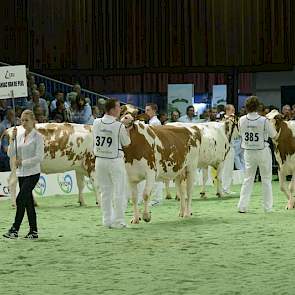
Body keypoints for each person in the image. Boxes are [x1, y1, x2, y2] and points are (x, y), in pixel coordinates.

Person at [3, 110, 44, 239]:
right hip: (21, 174)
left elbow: (39, 157)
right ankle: (33, 231)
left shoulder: (38, 137)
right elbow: (11, 153)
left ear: (33, 121)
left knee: (20, 199)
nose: (24, 122)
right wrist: (12, 139)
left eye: (26, 120)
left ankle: (15, 229)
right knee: (28, 202)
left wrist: (23, 162)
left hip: (33, 173)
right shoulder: (19, 136)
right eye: (22, 120)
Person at [93, 99, 131, 228]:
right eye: (118, 107)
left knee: (105, 191)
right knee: (119, 191)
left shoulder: (96, 122)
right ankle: (118, 221)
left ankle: (107, 220)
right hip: (114, 160)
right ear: (113, 109)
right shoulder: (118, 126)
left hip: (100, 160)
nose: (120, 109)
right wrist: (126, 126)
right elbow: (126, 142)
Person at [237, 96, 277, 213]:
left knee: (248, 179)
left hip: (248, 151)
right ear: (258, 106)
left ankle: (242, 206)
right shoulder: (264, 120)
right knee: (266, 179)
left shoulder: (241, 120)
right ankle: (267, 208)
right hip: (262, 150)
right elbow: (273, 135)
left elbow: (240, 133)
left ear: (247, 107)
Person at [145, 103, 164, 206]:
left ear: (154, 111)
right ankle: (156, 198)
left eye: (148, 110)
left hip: (155, 150)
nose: (146, 112)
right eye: (146, 110)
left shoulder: (155, 122)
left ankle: (157, 199)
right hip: (152, 150)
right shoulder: (152, 122)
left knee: (156, 176)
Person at [221, 104, 237, 195]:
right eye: (232, 110)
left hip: (230, 145)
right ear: (227, 110)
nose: (233, 111)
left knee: (228, 168)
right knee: (226, 168)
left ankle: (225, 187)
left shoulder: (232, 119)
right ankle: (225, 188)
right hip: (226, 146)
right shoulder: (226, 120)